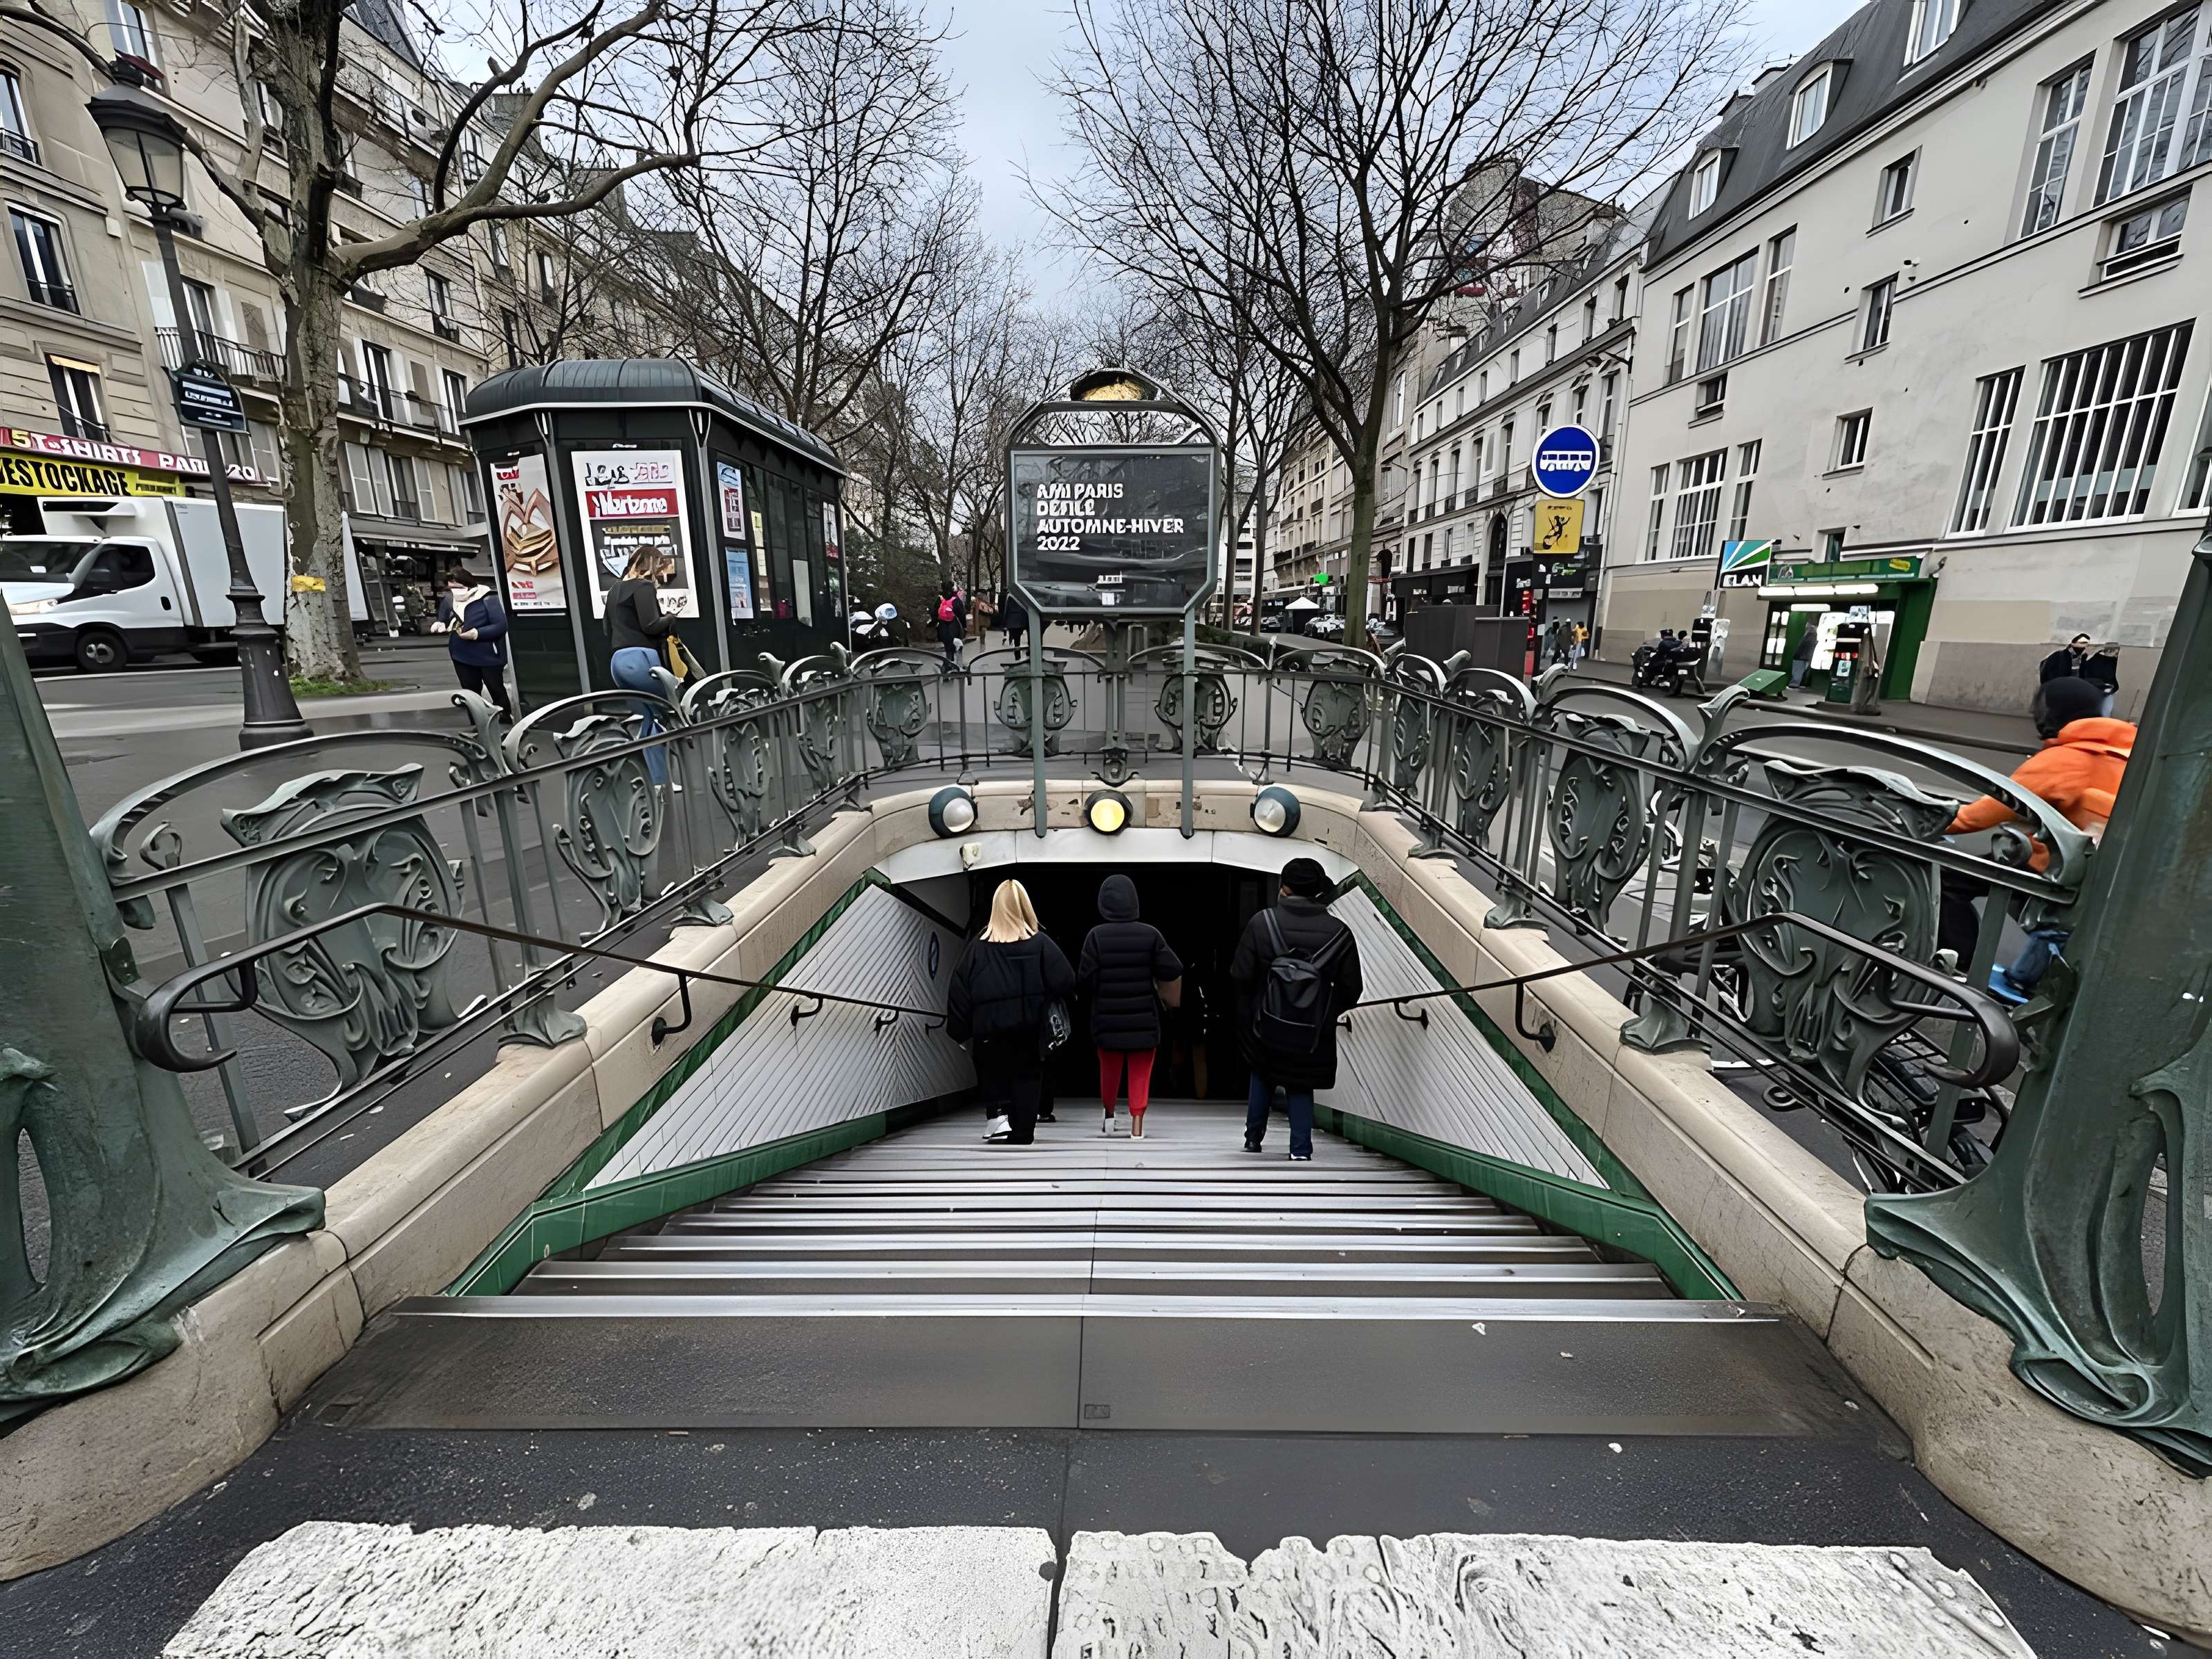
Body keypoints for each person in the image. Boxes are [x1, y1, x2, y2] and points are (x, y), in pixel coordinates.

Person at [1936, 675, 2133, 968]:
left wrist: (1924, 816)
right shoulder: (2126, 754)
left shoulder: (2065, 760)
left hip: (2054, 867)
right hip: (2106, 870)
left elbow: (1979, 816)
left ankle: (1963, 967)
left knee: (1950, 880)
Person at [1229, 856, 1362, 1161]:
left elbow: (1240, 976)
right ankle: (1300, 1150)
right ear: (1318, 891)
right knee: (1301, 1083)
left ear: (1284, 888)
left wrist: (1250, 1017)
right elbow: (1352, 988)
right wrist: (1323, 1018)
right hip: (1311, 1030)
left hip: (1267, 1021)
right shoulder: (1339, 932)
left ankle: (1253, 1140)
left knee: (1262, 1072)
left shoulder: (1262, 923)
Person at [944, 879, 1075, 1147]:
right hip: (1029, 1032)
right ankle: (1024, 1131)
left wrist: (960, 1031)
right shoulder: (1041, 944)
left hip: (988, 1034)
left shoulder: (977, 949)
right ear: (1025, 908)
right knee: (1028, 1078)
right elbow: (1067, 980)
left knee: (994, 1076)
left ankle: (999, 1120)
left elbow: (959, 992)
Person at [1078, 874, 1183, 1140]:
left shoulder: (1095, 937)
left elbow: (1085, 979)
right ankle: (1137, 1127)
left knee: (1109, 1071)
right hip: (1144, 1019)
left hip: (1106, 1019)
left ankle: (1110, 1116)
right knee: (1140, 1073)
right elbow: (1173, 968)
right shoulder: (1151, 935)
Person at [605, 549, 678, 785]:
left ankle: (654, 779)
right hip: (641, 658)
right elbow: (650, 625)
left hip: (618, 661)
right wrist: (671, 618)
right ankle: (661, 778)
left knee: (647, 717)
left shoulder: (615, 589)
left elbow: (607, 628)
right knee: (663, 713)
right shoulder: (644, 587)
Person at [430, 568, 512, 720]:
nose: (455, 591)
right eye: (451, 588)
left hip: (488, 653)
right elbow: (444, 618)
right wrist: (440, 624)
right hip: (460, 652)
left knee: (495, 687)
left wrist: (477, 634)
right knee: (470, 691)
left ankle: (504, 717)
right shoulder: (449, 599)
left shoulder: (488, 598)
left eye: (458, 587)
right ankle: (476, 721)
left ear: (469, 584)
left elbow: (500, 625)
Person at [2038, 633, 2120, 716]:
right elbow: (2046, 673)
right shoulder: (2059, 656)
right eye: (2082, 643)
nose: (2085, 646)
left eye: (2086, 644)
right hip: (2063, 693)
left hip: (2078, 695)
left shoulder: (2086, 658)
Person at [935, 581, 967, 673]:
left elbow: (933, 612)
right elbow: (962, 615)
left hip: (942, 628)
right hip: (954, 627)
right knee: (955, 647)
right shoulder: (955, 600)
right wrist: (964, 627)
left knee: (948, 647)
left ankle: (948, 665)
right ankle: (952, 665)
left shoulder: (940, 600)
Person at [1789, 623, 1817, 690]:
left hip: (1801, 657)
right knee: (1800, 671)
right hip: (1805, 657)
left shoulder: (1806, 637)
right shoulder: (1812, 637)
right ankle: (1796, 684)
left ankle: (1795, 684)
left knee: (1798, 672)